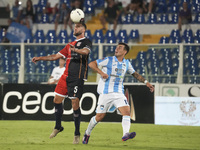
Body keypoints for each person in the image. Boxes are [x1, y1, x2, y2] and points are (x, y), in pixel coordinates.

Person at [32, 22, 92, 144]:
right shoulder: (69, 45)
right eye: (75, 27)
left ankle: (76, 133)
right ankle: (58, 126)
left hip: (77, 77)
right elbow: (55, 56)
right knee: (56, 100)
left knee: (75, 103)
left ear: (84, 30)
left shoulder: (86, 41)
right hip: (65, 77)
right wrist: (40, 58)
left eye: (78, 27)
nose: (75, 28)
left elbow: (86, 52)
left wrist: (76, 50)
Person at [82, 42, 154, 144]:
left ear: (125, 52)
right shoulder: (108, 60)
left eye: (119, 48)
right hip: (106, 93)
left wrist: (146, 82)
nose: (116, 49)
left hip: (119, 93)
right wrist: (101, 73)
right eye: (116, 47)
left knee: (127, 112)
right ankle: (87, 133)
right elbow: (91, 64)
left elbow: (135, 74)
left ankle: (125, 134)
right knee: (99, 117)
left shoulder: (127, 63)